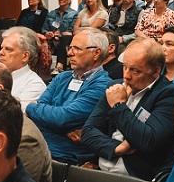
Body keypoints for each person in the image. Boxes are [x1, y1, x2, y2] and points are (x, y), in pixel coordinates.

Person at [81, 39, 174, 179]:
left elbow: (148, 141)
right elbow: (88, 131)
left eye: (135, 71)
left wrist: (118, 106)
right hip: (102, 166)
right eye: (125, 67)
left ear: (155, 71)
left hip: (137, 178)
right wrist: (117, 149)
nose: (126, 76)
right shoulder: (115, 87)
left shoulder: (168, 95)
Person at [26, 29, 112, 164]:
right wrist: (65, 129)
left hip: (66, 156)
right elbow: (58, 119)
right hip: (41, 147)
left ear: (96, 53)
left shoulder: (103, 85)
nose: (69, 53)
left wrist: (31, 107)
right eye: (70, 47)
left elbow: (63, 117)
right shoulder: (62, 77)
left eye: (76, 48)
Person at [0, 26, 47, 109]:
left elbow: (15, 116)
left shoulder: (34, 85)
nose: (0, 53)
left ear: (25, 56)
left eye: (8, 49)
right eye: (1, 48)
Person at [42, 0, 78, 66]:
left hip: (64, 40)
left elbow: (71, 30)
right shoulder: (52, 13)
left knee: (64, 40)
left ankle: (59, 66)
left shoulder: (74, 14)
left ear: (69, 0)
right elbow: (44, 28)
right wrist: (47, 33)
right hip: (51, 40)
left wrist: (60, 35)